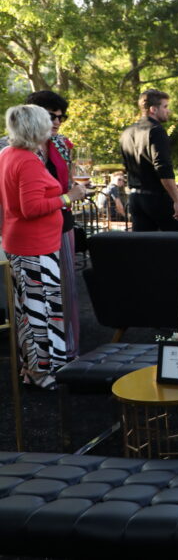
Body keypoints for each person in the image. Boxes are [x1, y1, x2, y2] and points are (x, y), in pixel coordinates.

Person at [0, 105, 87, 388]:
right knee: (41, 311)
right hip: (34, 247)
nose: (54, 125)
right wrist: (67, 197)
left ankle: (33, 369)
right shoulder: (26, 160)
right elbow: (31, 207)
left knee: (29, 310)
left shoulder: (9, 154)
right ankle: (43, 373)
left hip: (25, 244)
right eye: (49, 121)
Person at [23, 90, 83, 359]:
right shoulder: (11, 148)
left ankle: (68, 352)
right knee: (34, 298)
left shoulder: (61, 144)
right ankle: (39, 359)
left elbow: (65, 185)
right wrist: (68, 195)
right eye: (52, 116)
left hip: (62, 225)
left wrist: (75, 190)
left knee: (66, 290)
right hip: (29, 230)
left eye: (62, 116)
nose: (58, 121)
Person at [119, 89, 178, 231]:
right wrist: (177, 200)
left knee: (143, 248)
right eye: (165, 107)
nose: (168, 111)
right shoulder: (156, 130)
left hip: (135, 199)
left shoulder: (126, 132)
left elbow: (126, 166)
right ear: (153, 109)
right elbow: (163, 168)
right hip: (157, 199)